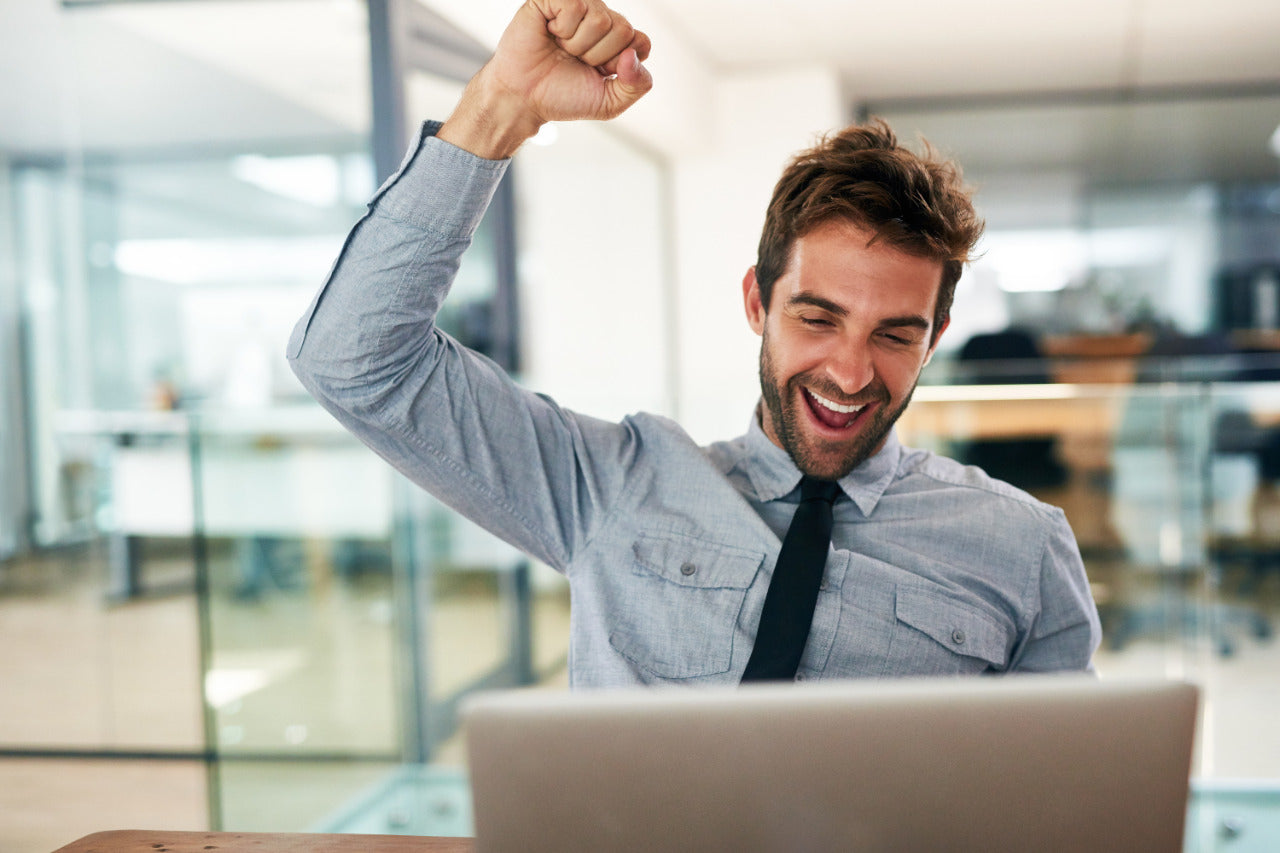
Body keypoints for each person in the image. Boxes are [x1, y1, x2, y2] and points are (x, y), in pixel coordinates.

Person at [288, 0, 1101, 686]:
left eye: (895, 334)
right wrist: (504, 103)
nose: (852, 372)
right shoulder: (610, 485)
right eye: (817, 318)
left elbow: (1072, 804)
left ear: (935, 340)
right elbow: (354, 361)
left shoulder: (1023, 547)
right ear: (757, 300)